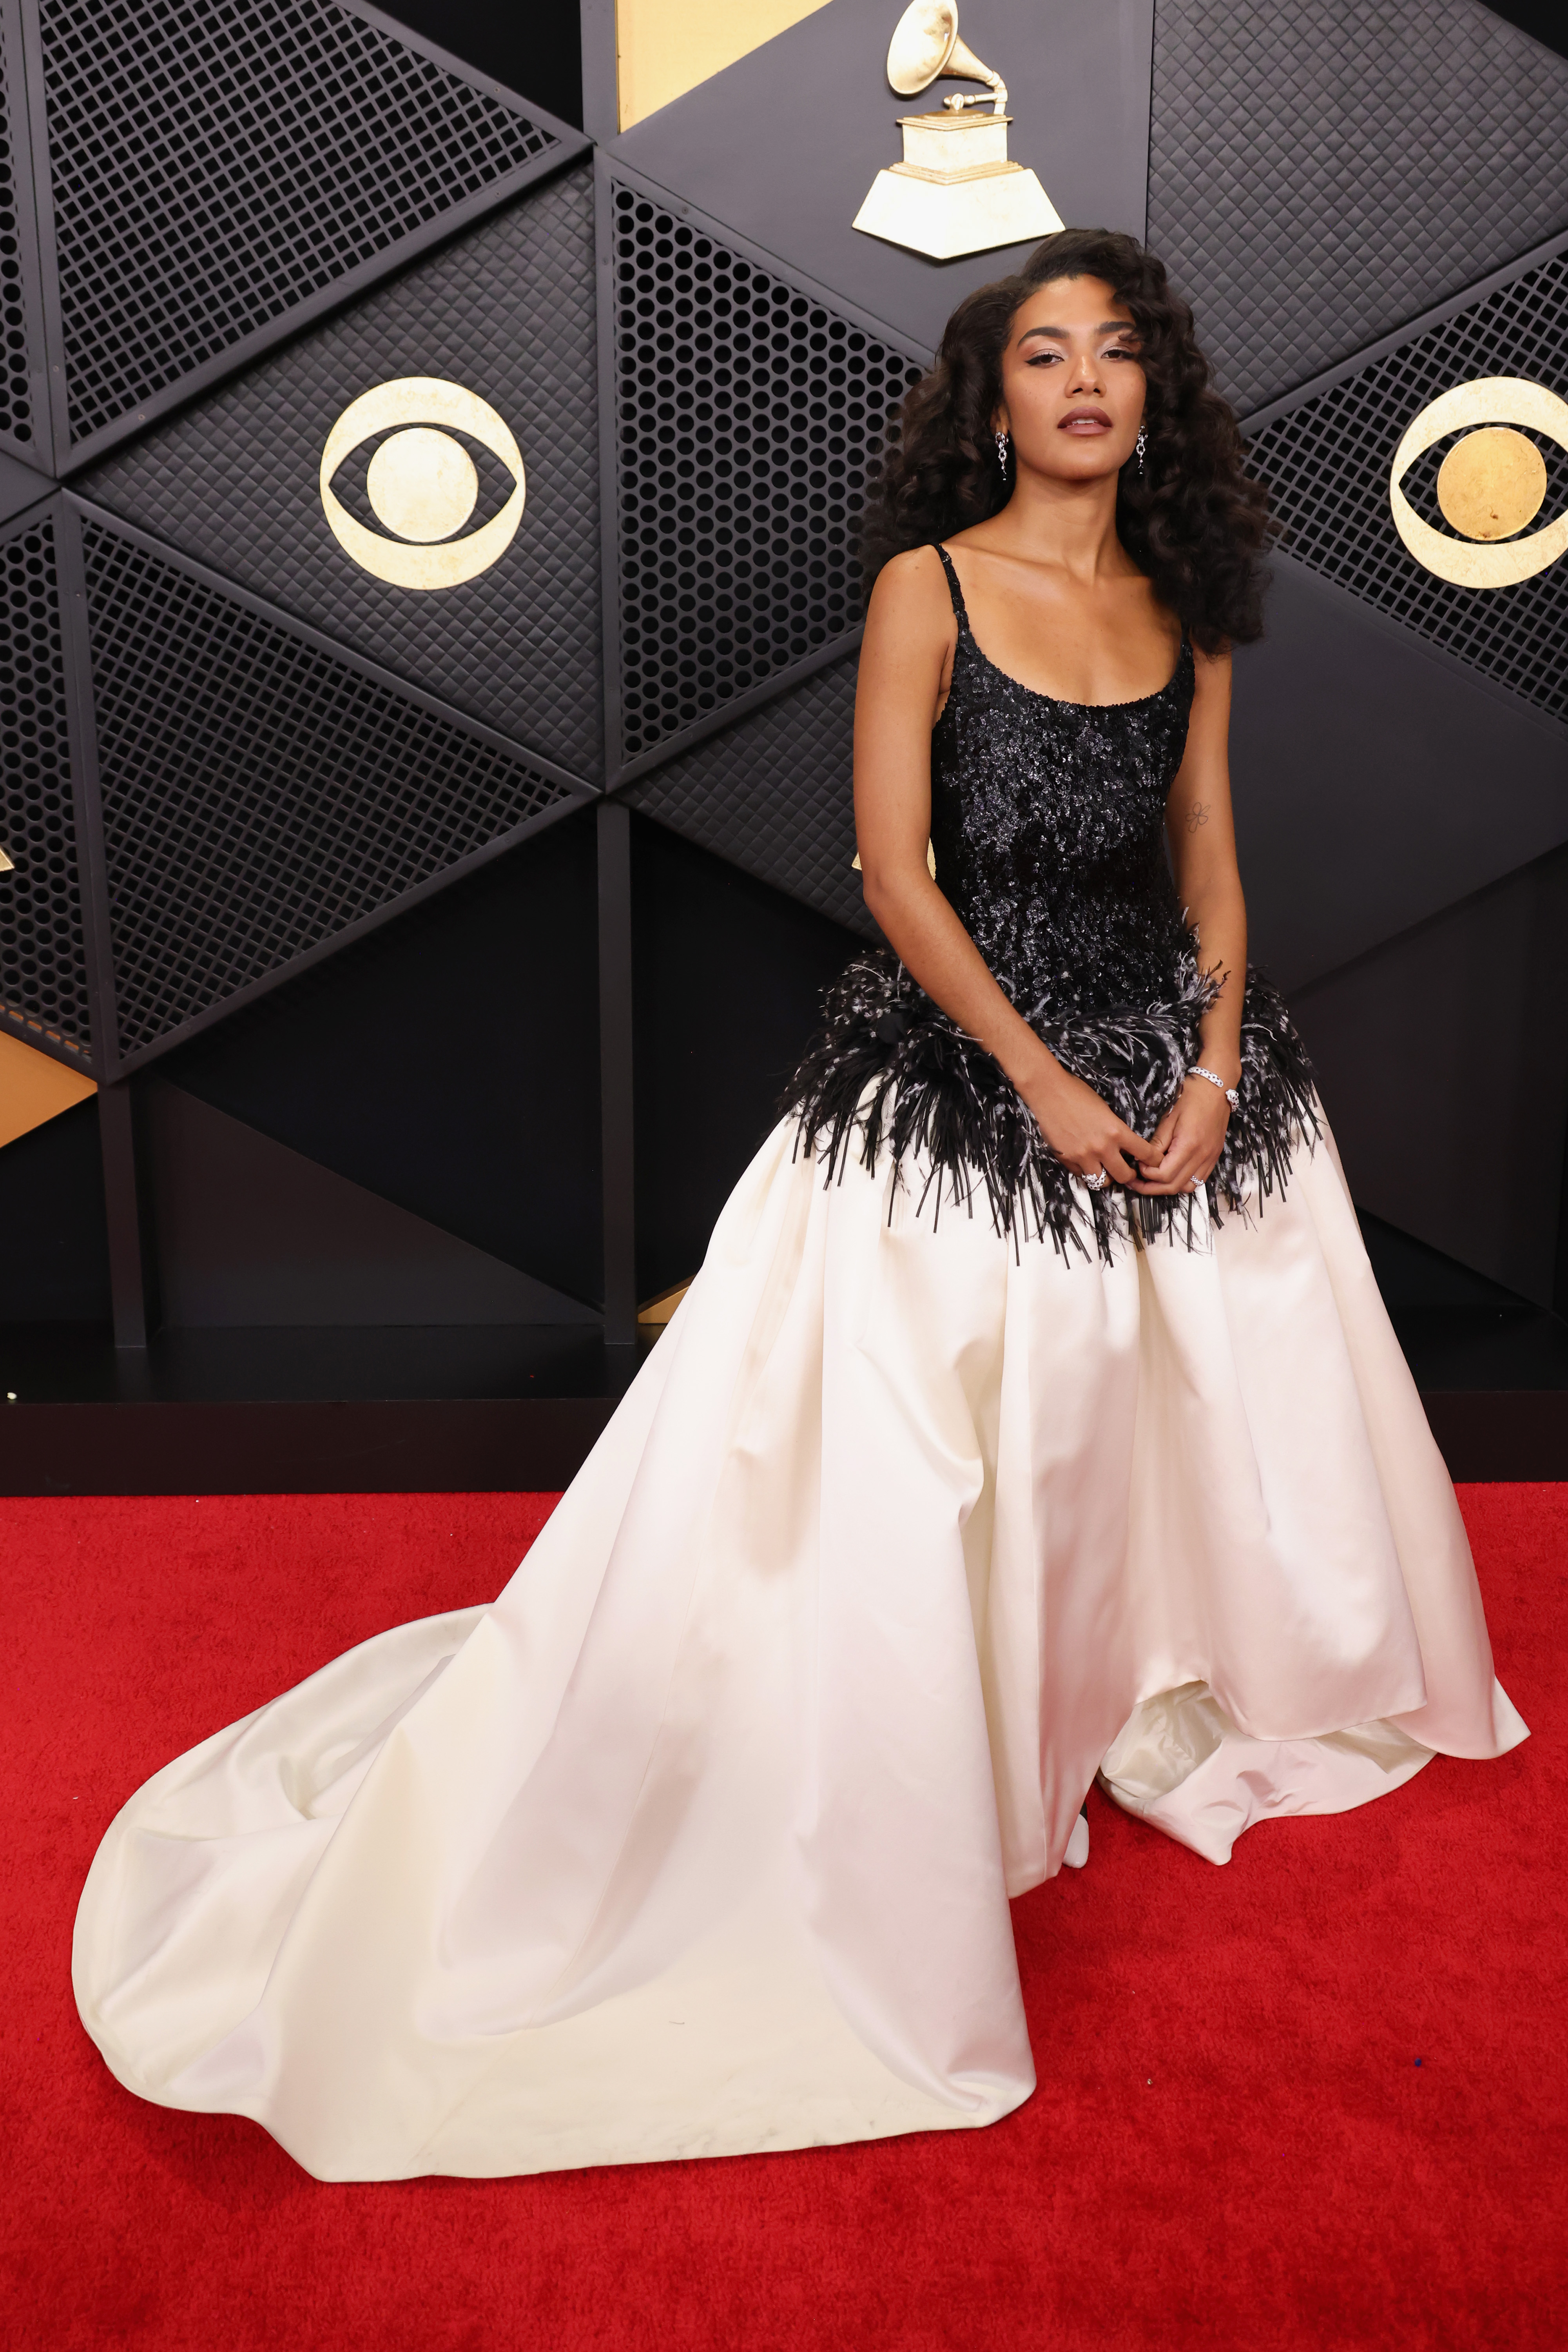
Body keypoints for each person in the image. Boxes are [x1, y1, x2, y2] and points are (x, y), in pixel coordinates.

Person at [73, 230, 1525, 2182]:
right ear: (990, 395)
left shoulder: (1191, 610)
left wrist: (1199, 1065)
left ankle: (1124, 1687)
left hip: (1168, 1067)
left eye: (1114, 354)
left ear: (1152, 394)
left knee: (1183, 1404)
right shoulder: (925, 588)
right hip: (968, 1060)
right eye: (1041, 353)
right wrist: (1032, 1073)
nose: (1081, 382)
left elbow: (1210, 864)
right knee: (934, 1440)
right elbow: (893, 872)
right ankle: (936, 1759)